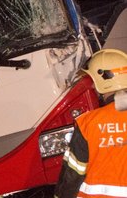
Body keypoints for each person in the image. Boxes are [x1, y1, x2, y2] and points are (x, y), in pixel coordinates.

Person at [54, 48, 127, 197]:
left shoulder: (88, 123)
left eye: (93, 81)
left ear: (103, 81)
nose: (93, 87)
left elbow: (73, 175)